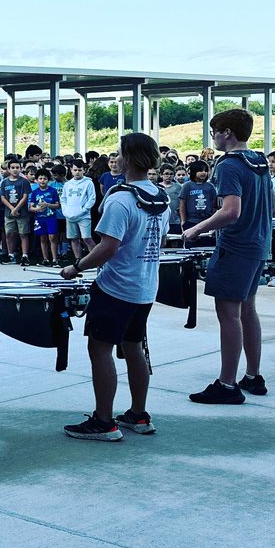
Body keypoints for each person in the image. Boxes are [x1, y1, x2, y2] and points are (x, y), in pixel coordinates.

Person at [60, 133, 169, 441]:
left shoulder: (121, 199)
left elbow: (108, 247)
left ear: (129, 159)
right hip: (145, 286)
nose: (116, 158)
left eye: (119, 153)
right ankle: (138, 415)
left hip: (115, 287)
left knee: (100, 348)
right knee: (134, 346)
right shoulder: (160, 197)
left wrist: (76, 267)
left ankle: (104, 421)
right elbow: (159, 241)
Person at [183, 109, 274, 404]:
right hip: (259, 244)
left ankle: (226, 384)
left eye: (214, 133)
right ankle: (253, 376)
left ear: (227, 133)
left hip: (235, 246)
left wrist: (196, 229)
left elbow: (231, 211)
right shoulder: (259, 161)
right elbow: (272, 204)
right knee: (248, 310)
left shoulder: (229, 165)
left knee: (229, 315)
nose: (213, 138)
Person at [60, 158, 96, 262]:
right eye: (75, 170)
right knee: (73, 238)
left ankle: (96, 259)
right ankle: (78, 260)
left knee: (86, 238)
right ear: (71, 170)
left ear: (84, 170)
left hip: (84, 216)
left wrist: (84, 209)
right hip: (70, 215)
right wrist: (65, 211)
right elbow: (63, 198)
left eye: (80, 170)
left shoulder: (88, 183)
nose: (77, 172)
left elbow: (92, 198)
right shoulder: (67, 184)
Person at [0, 160, 32, 265]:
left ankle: (25, 255)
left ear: (21, 169)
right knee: (9, 234)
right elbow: (3, 197)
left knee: (23, 234)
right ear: (8, 169)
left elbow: (25, 197)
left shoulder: (24, 182)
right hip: (8, 214)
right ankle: (10, 255)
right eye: (12, 168)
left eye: (17, 167)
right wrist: (11, 208)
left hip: (22, 213)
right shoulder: (4, 182)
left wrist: (16, 209)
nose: (15, 170)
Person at [28, 168, 61, 266]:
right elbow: (31, 207)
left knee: (52, 237)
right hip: (39, 218)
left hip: (51, 218)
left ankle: (55, 259)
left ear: (48, 180)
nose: (42, 181)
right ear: (37, 180)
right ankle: (45, 259)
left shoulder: (53, 191)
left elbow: (57, 205)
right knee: (42, 238)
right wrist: (37, 209)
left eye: (45, 178)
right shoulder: (35, 192)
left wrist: (47, 205)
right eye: (40, 178)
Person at [178, 160, 216, 242]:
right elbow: (182, 203)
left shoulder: (210, 186)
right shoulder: (187, 186)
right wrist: (183, 221)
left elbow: (213, 203)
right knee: (191, 243)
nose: (204, 173)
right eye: (201, 170)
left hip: (207, 221)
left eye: (205, 171)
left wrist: (212, 219)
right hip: (191, 221)